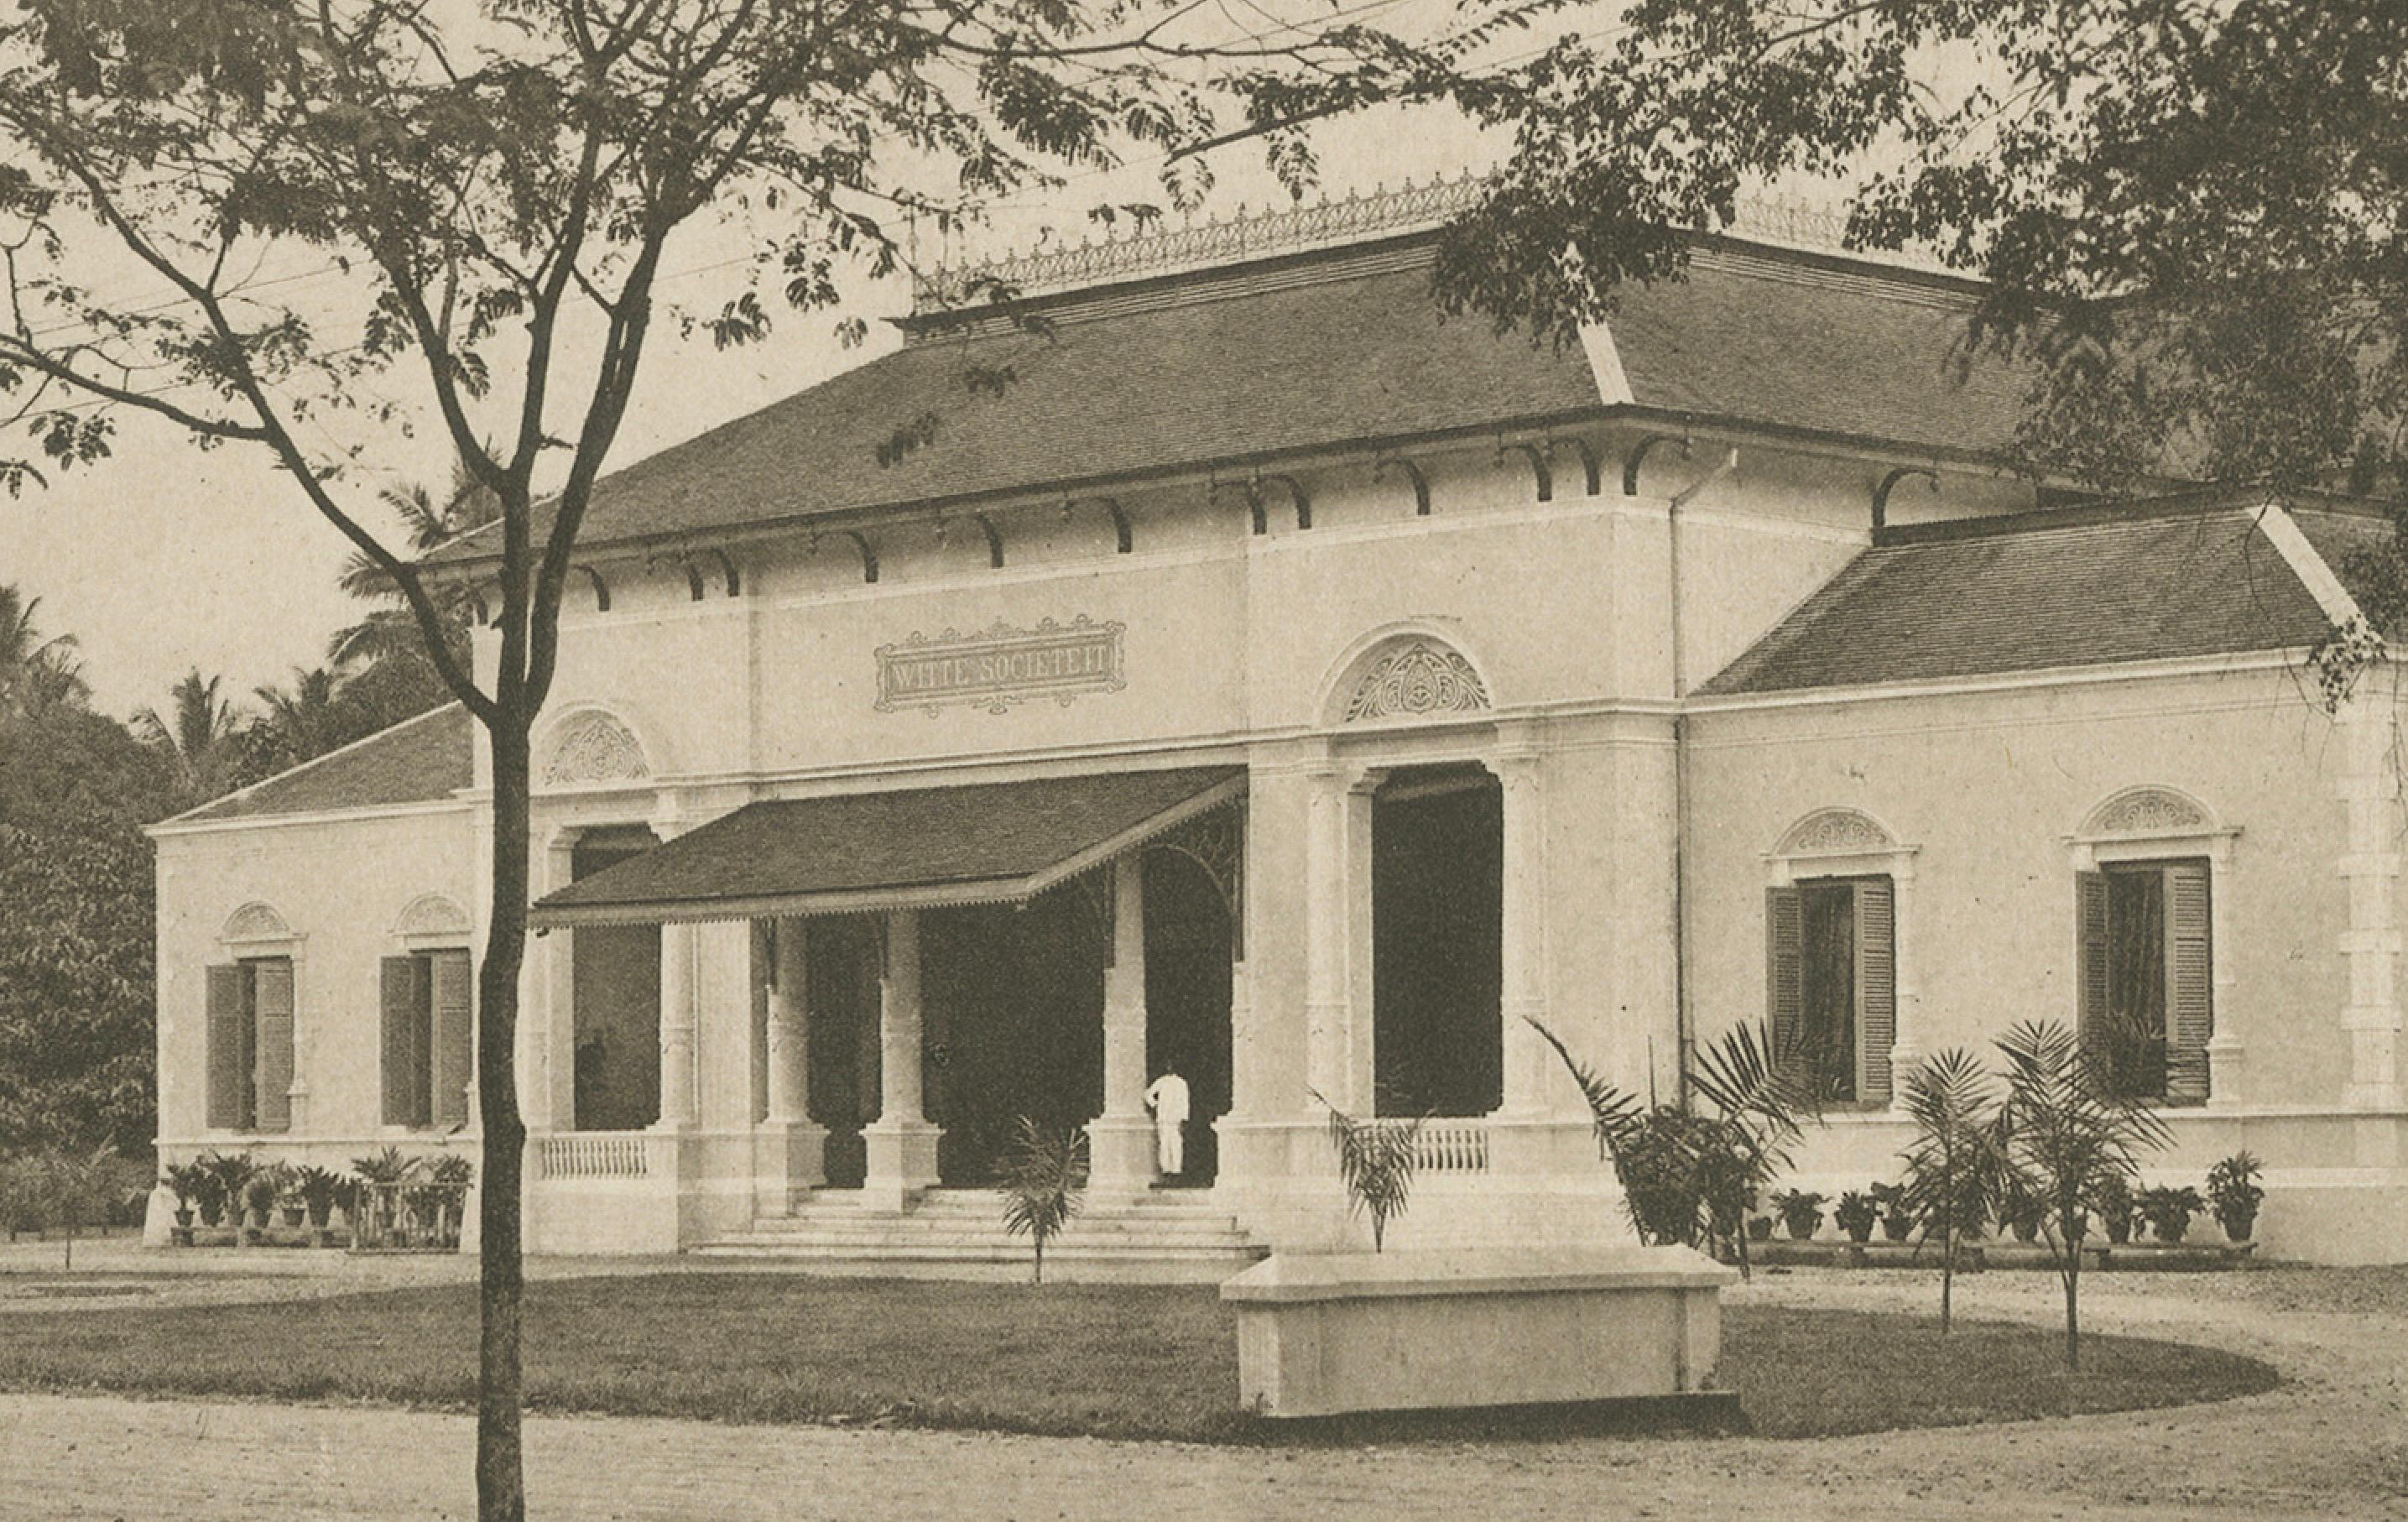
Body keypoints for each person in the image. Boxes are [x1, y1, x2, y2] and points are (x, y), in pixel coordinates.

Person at [1143, 1068, 1190, 1178]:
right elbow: (1148, 1094)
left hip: (1175, 1119)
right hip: (1164, 1118)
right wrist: (1156, 1105)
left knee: (1175, 1144)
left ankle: (1176, 1170)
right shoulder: (1162, 1081)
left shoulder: (1181, 1083)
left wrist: (1183, 1118)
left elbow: (1184, 1101)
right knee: (1165, 1143)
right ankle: (1167, 1170)